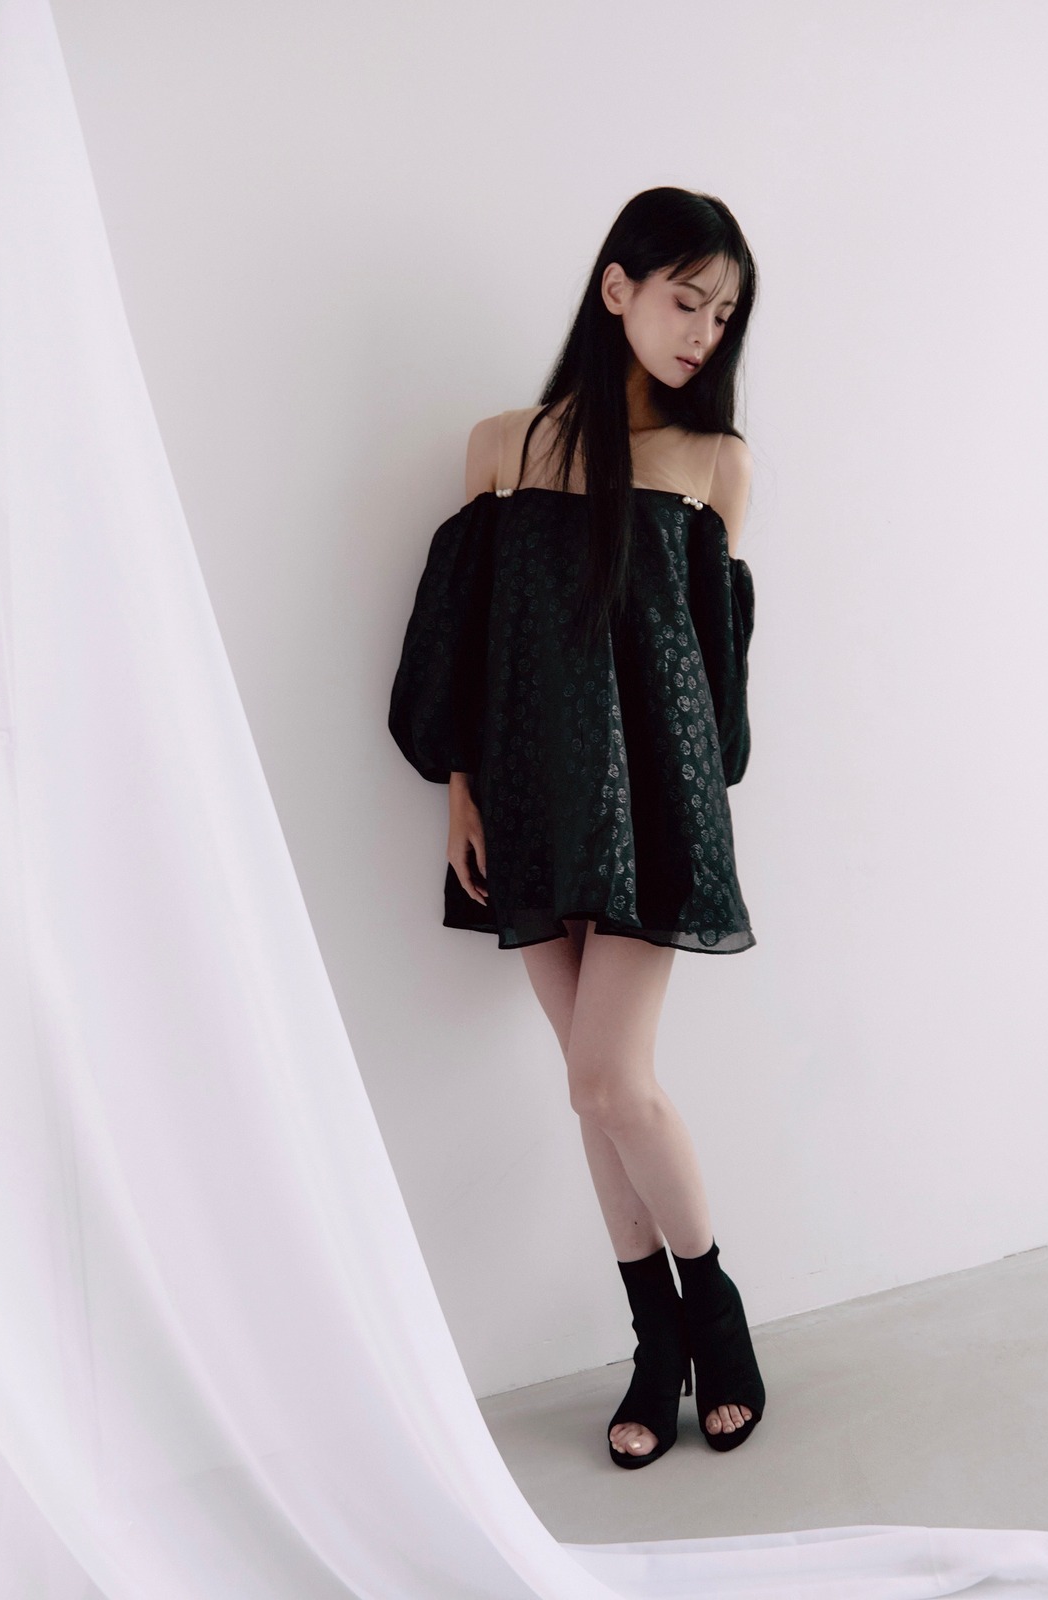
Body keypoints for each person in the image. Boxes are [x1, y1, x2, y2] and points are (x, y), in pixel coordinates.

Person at [389, 186, 765, 1468]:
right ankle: (656, 1342)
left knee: (609, 1078)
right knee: (587, 1089)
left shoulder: (713, 466)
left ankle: (708, 1311)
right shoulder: (501, 447)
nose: (703, 332)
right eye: (685, 300)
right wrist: (459, 789)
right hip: (528, 802)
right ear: (617, 290)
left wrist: (697, 810)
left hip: (653, 808)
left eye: (722, 315)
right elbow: (460, 641)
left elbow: (710, 679)